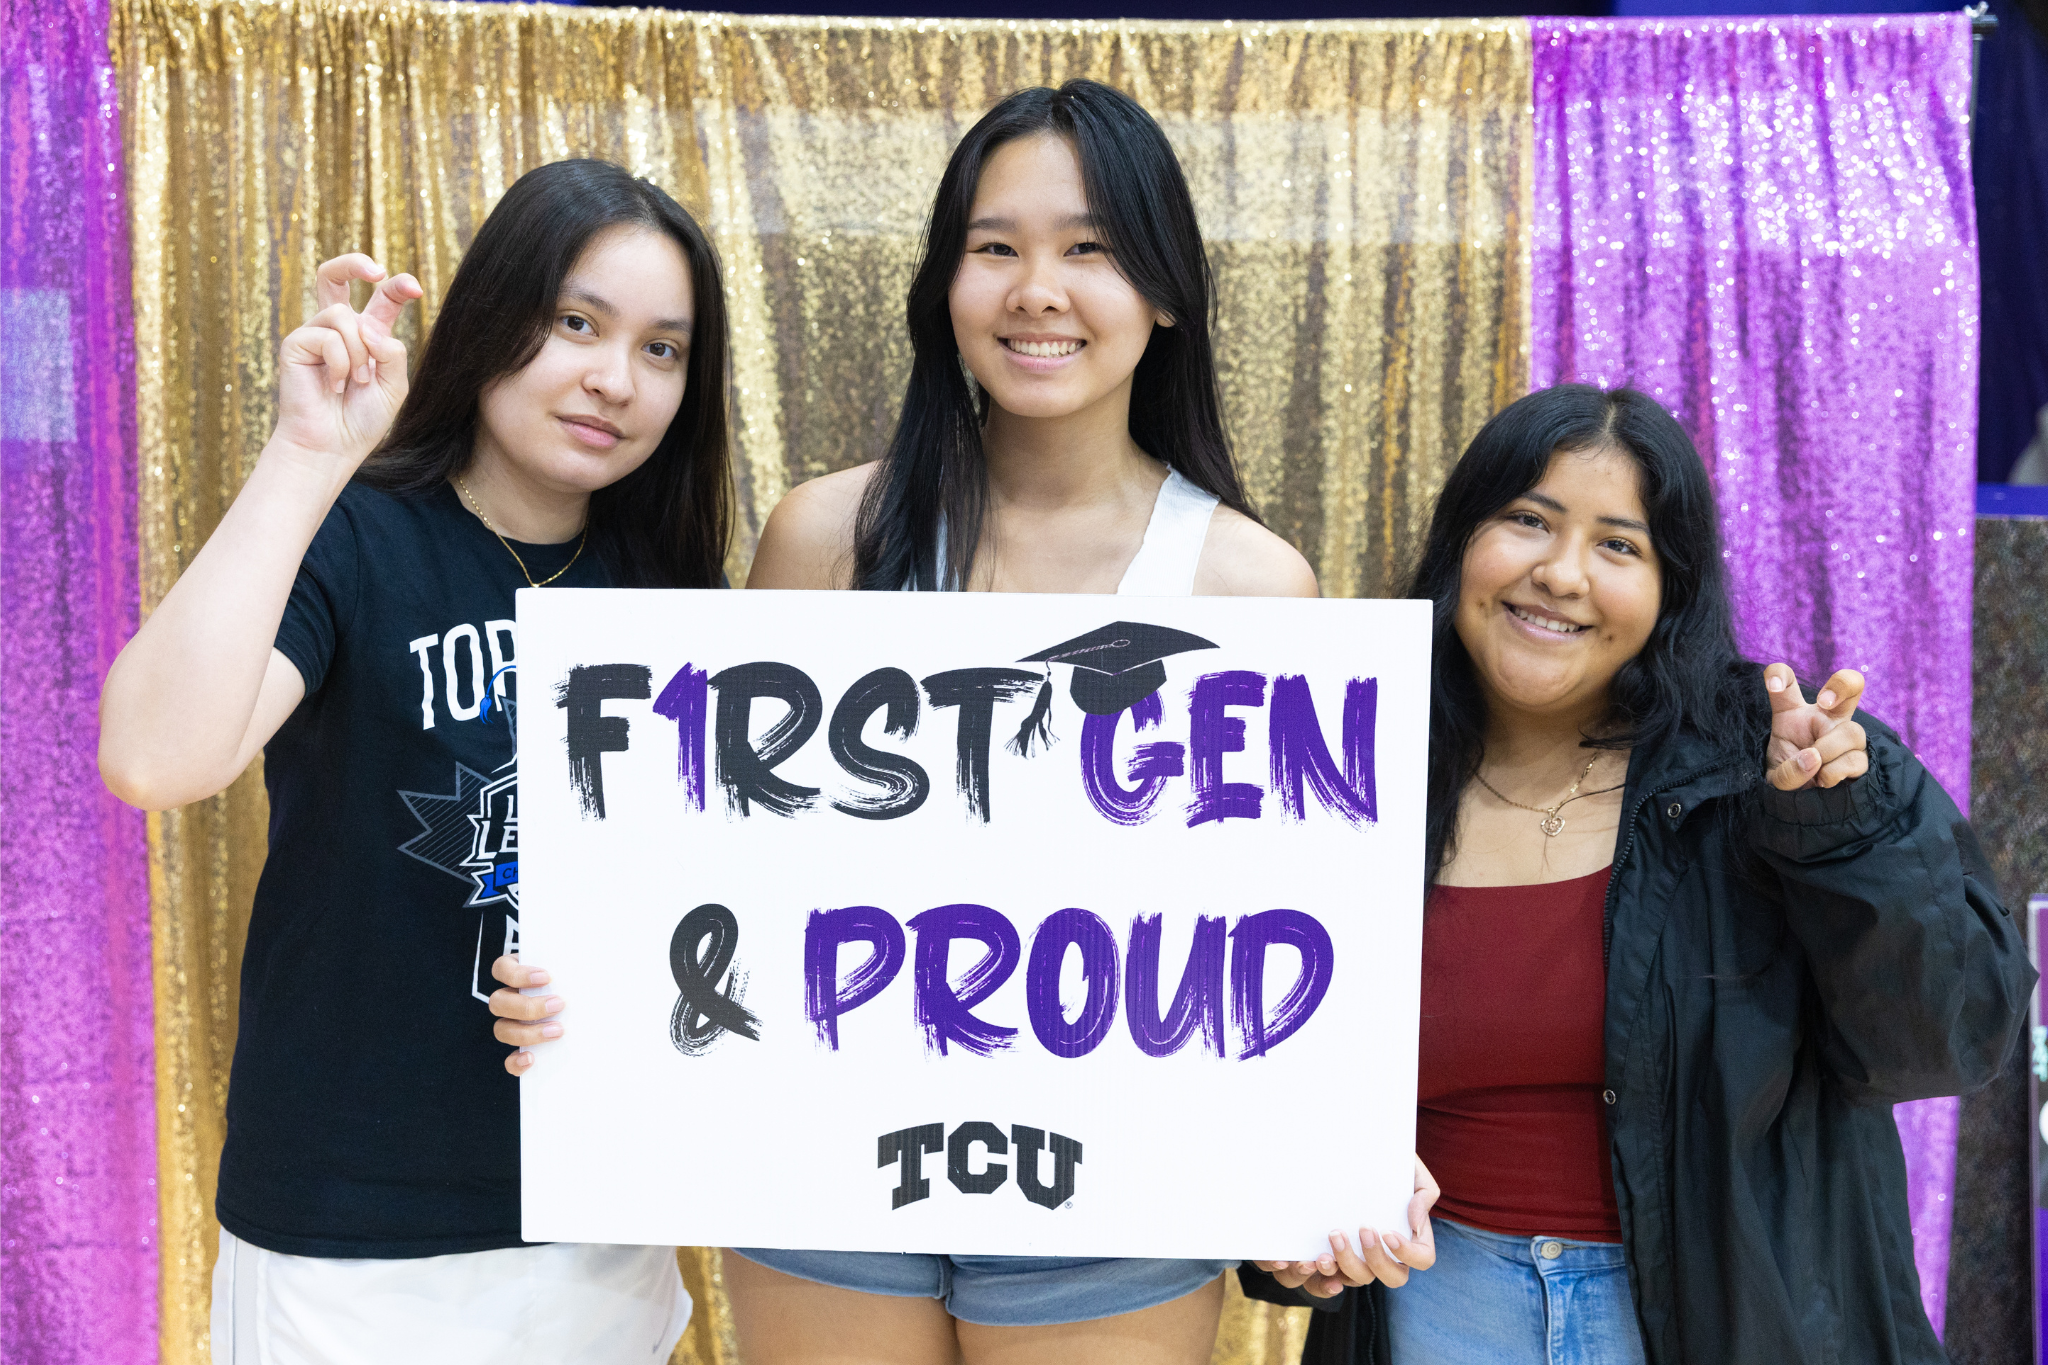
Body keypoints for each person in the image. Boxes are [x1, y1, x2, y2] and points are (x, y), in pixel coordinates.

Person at [491, 80, 1426, 1365]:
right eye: (995, 248)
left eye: (1088, 248)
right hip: (820, 1174)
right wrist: (586, 980)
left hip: (1117, 1204)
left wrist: (1336, 1134)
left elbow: (1275, 940)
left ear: (1162, 292)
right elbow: (719, 868)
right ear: (945, 287)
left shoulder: (1252, 586)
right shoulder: (824, 540)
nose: (1037, 289)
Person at [1241, 384, 2033, 1365]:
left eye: (1617, 545)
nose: (1559, 574)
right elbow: (1257, 1063)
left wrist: (1832, 830)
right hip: (1435, 1313)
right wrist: (1303, 1220)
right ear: (1460, 546)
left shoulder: (1784, 764)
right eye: (1526, 521)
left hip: (1730, 1322)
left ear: (1672, 590)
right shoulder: (1331, 771)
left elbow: (1945, 1041)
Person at [98, 159, 734, 1362]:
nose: (614, 377)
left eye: (663, 350)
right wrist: (304, 457)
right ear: (495, 317)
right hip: (345, 1228)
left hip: (591, 1229)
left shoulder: (670, 592)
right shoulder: (355, 532)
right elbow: (151, 757)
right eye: (576, 323)